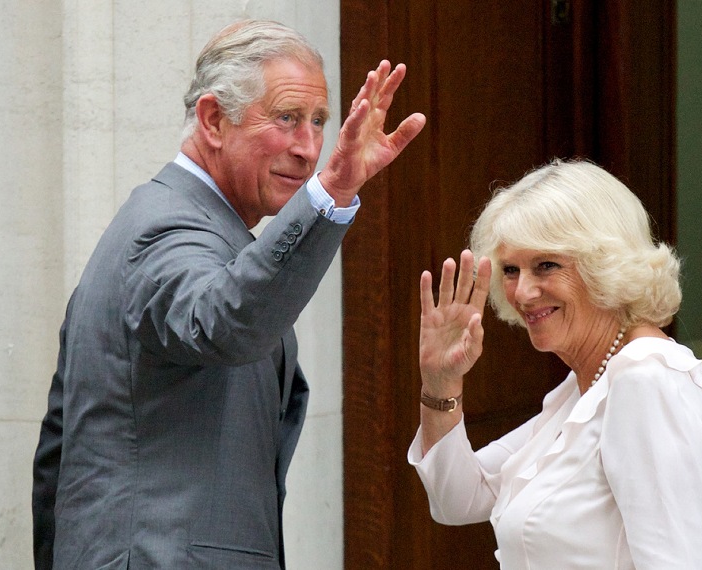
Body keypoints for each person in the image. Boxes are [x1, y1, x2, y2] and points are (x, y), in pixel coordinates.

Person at [32, 19, 425, 569]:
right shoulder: (165, 231)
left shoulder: (171, 221)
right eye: (287, 119)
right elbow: (225, 321)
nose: (309, 148)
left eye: (318, 122)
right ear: (214, 119)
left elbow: (59, 448)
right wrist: (330, 193)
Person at [408, 159, 702, 569]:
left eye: (546, 265)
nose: (522, 292)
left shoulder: (646, 379)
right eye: (511, 270)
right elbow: (457, 498)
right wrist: (441, 383)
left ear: (604, 263)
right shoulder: (589, 382)